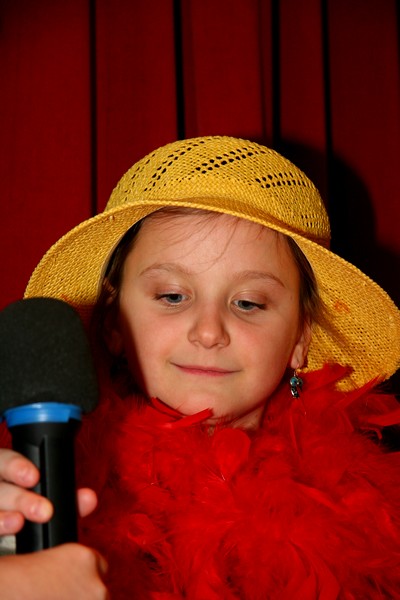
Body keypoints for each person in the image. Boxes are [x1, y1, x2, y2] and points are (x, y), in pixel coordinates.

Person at [0, 136, 400, 598]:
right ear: (112, 322)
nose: (209, 332)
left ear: (299, 339)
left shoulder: (372, 525)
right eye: (172, 296)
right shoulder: (46, 490)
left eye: (248, 303)